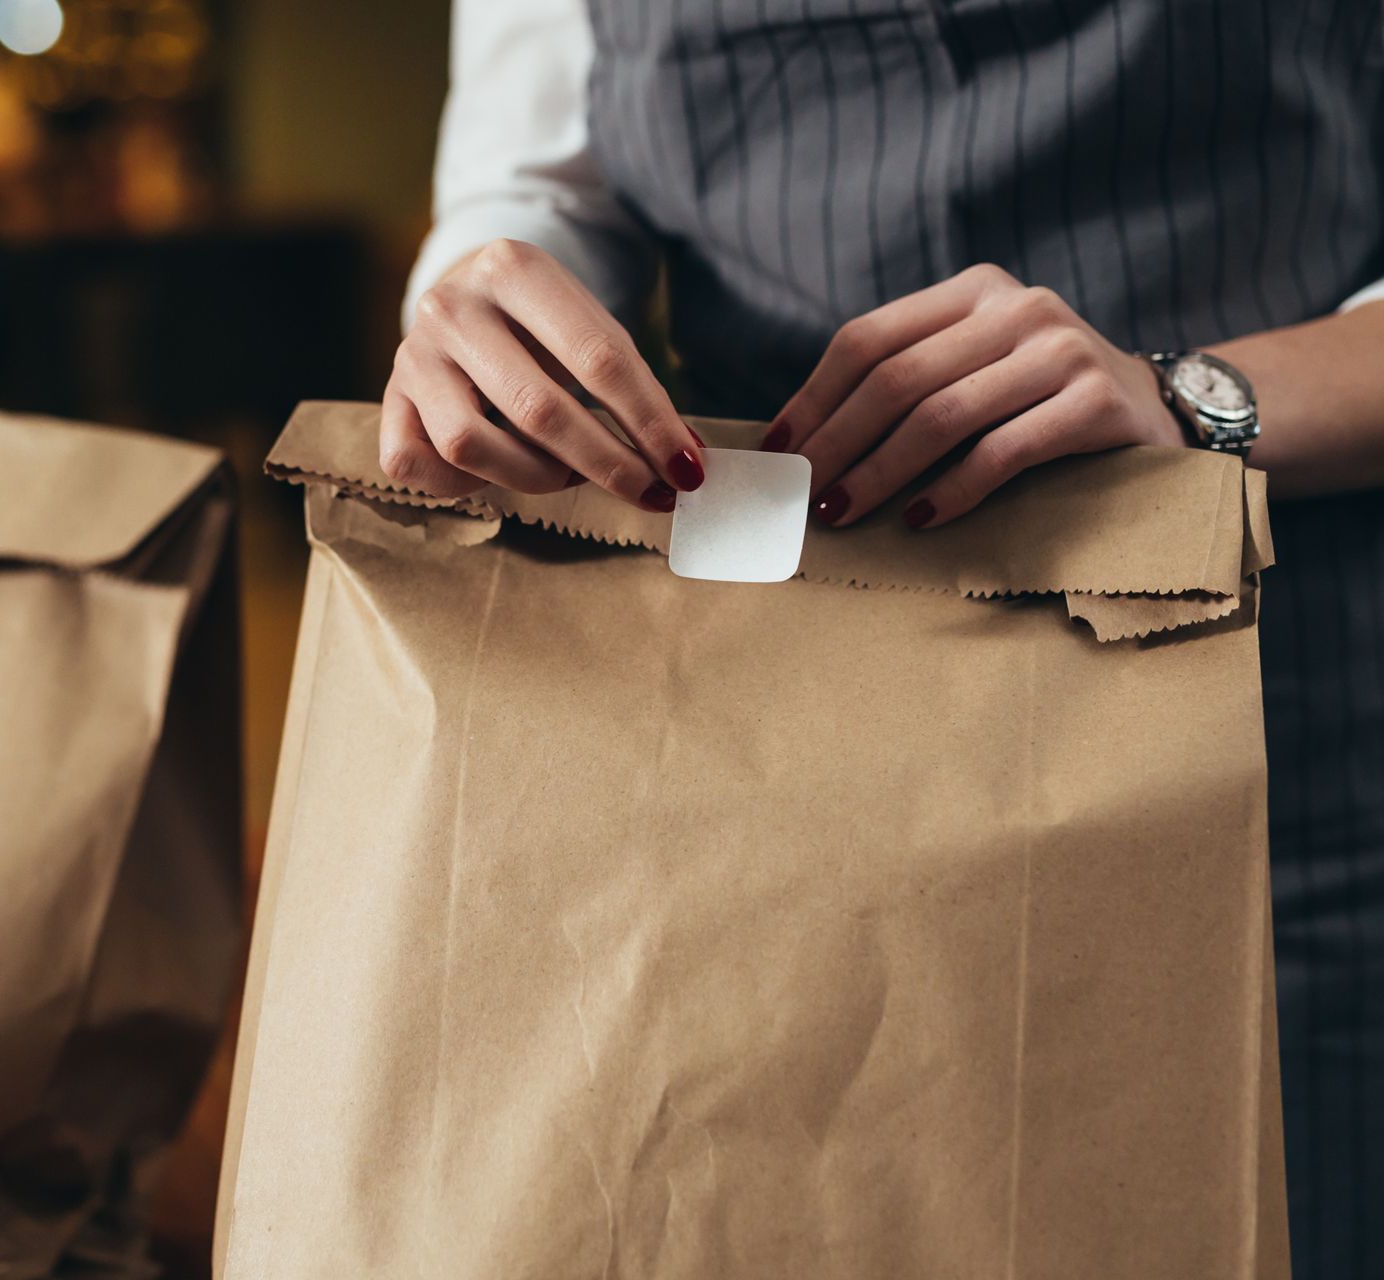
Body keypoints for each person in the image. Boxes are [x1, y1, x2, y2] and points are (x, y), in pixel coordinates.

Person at [383, 2, 1383, 1275]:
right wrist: (486, 315)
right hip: (744, 760)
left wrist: (1186, 398)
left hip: (1265, 746)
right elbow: (536, 184)